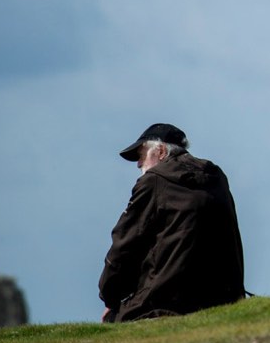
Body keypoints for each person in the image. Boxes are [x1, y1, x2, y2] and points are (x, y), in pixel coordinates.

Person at [99, 123, 245, 323]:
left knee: (112, 322)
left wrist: (110, 295)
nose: (138, 164)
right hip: (225, 301)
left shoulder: (154, 181)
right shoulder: (217, 178)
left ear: (160, 151)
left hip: (165, 304)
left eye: (141, 155)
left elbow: (126, 242)